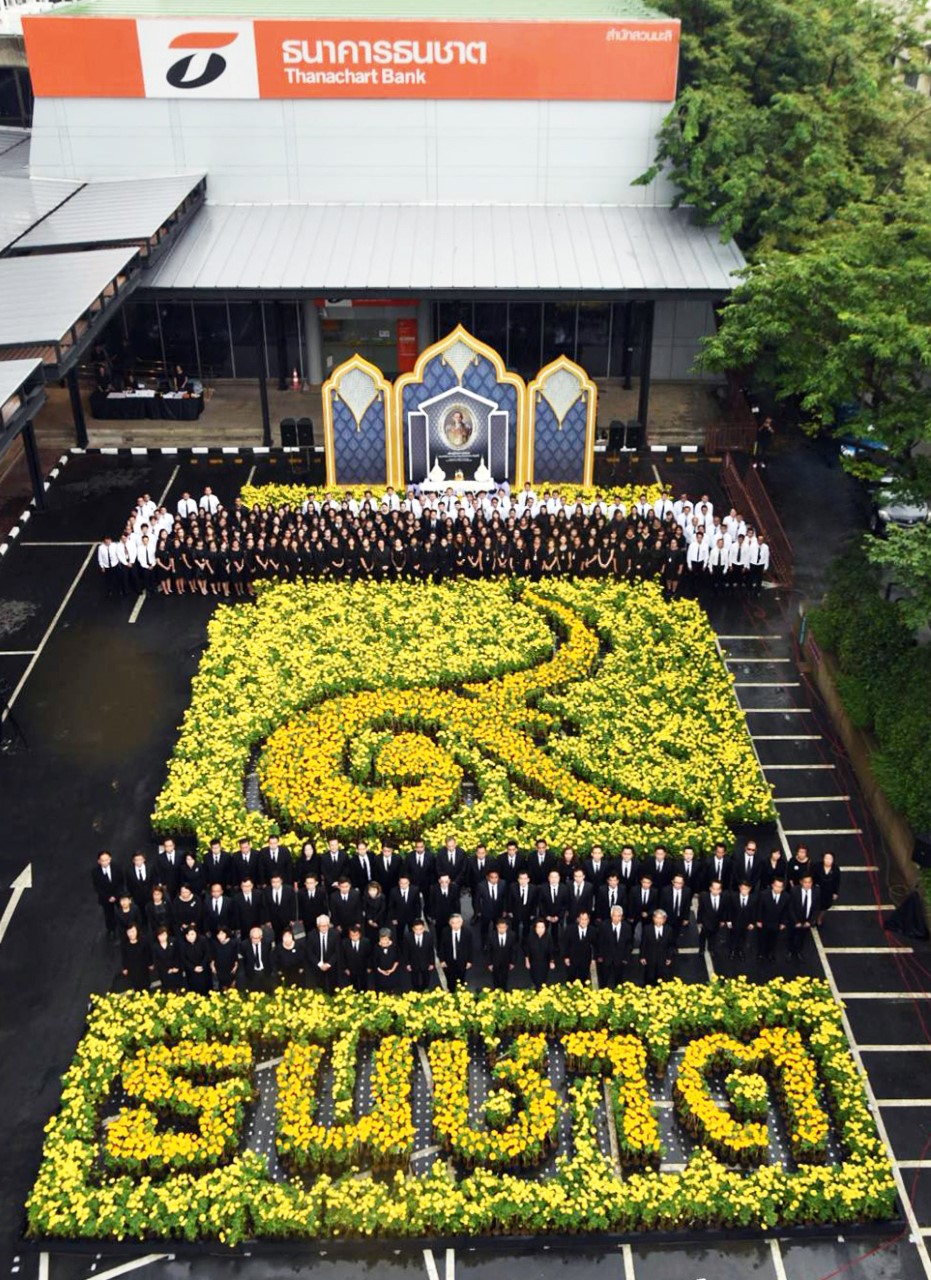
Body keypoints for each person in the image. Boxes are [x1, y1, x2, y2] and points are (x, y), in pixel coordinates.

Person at [597, 905, 632, 988]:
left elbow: (629, 944)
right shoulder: (604, 926)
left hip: (620, 959)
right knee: (603, 981)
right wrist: (600, 956)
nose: (616, 918)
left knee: (619, 982)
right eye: (614, 916)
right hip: (606, 958)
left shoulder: (627, 927)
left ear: (622, 917)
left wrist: (626, 958)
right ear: (611, 915)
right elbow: (600, 942)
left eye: (619, 916)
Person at [92, 850, 124, 938]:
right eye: (103, 860)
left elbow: (121, 882)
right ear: (99, 861)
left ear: (110, 859)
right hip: (105, 898)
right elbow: (97, 887)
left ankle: (124, 928)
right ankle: (111, 930)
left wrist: (116, 895)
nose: (105, 862)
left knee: (122, 912)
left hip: (118, 895)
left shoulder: (117, 868)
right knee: (108, 915)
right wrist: (108, 897)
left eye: (107, 859)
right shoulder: (95, 872)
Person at [438, 913, 472, 993]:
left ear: (461, 922)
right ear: (450, 923)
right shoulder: (445, 931)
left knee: (461, 978)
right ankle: (451, 992)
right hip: (449, 961)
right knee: (450, 979)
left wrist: (470, 961)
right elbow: (441, 946)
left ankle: (461, 993)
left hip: (462, 961)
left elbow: (470, 947)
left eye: (458, 922)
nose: (455, 925)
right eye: (453, 923)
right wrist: (442, 960)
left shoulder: (467, 932)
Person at [639, 908, 674, 985]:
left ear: (664, 920)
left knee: (662, 980)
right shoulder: (647, 929)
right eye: (656, 918)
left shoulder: (668, 930)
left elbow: (670, 945)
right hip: (650, 958)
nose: (658, 920)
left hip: (663, 959)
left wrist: (669, 957)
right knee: (649, 978)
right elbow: (643, 944)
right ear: (653, 919)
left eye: (661, 918)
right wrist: (642, 956)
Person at [562, 910, 595, 983]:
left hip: (586, 960)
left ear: (588, 920)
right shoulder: (570, 929)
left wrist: (593, 959)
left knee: (584, 980)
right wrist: (566, 957)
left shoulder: (592, 931)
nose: (583, 921)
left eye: (585, 919)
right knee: (570, 980)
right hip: (572, 960)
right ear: (578, 919)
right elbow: (565, 944)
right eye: (582, 919)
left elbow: (595, 946)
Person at [403, 919, 436, 991]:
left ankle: (424, 989)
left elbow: (431, 951)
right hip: (413, 963)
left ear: (423, 928)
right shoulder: (408, 937)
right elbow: (406, 951)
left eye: (420, 929)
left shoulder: (429, 936)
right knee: (414, 979)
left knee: (426, 978)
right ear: (413, 929)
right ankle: (416, 991)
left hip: (426, 962)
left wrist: (432, 963)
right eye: (416, 929)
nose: (418, 931)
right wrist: (407, 964)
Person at [486, 918, 517, 991]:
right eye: (500, 927)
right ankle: (496, 990)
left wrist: (512, 962)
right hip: (495, 961)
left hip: (506, 961)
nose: (502, 929)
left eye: (504, 927)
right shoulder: (491, 936)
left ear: (507, 927)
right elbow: (488, 951)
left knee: (505, 976)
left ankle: (504, 990)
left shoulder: (512, 935)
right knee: (495, 976)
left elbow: (514, 950)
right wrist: (489, 963)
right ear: (497, 927)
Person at [525, 918, 555, 989]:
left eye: (542, 927)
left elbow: (551, 950)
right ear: (535, 928)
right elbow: (527, 950)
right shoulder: (530, 937)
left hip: (544, 961)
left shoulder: (548, 937)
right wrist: (527, 961)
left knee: (543, 978)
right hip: (533, 961)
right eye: (538, 927)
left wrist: (552, 961)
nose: (540, 929)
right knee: (534, 977)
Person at [120, 924, 152, 991]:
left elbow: (148, 953)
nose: (131, 934)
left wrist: (150, 964)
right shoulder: (125, 944)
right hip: (133, 969)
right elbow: (124, 956)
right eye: (129, 932)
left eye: (133, 931)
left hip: (143, 968)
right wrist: (125, 967)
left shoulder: (144, 941)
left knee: (146, 985)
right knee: (136, 986)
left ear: (137, 931)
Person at [342, 923, 371, 992]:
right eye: (352, 935)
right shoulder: (345, 943)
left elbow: (369, 955)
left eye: (356, 935)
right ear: (349, 935)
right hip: (350, 968)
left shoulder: (366, 942)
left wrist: (369, 967)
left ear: (360, 934)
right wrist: (345, 968)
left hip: (363, 967)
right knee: (352, 985)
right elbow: (343, 957)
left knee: (364, 984)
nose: (354, 937)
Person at [814, 851, 841, 924]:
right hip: (817, 890)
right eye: (826, 858)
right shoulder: (817, 866)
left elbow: (837, 881)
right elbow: (812, 877)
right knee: (814, 905)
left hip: (828, 892)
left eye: (830, 859)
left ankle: (819, 918)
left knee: (825, 907)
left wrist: (835, 892)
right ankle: (812, 918)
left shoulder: (836, 869)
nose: (828, 860)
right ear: (823, 859)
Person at [372, 927, 401, 993]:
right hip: (380, 973)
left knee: (392, 988)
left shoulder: (394, 946)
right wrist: (381, 971)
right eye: (382, 939)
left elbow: (397, 959)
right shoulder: (376, 947)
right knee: (380, 988)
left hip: (392, 972)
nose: (384, 941)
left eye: (386, 939)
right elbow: (374, 961)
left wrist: (392, 970)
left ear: (389, 938)